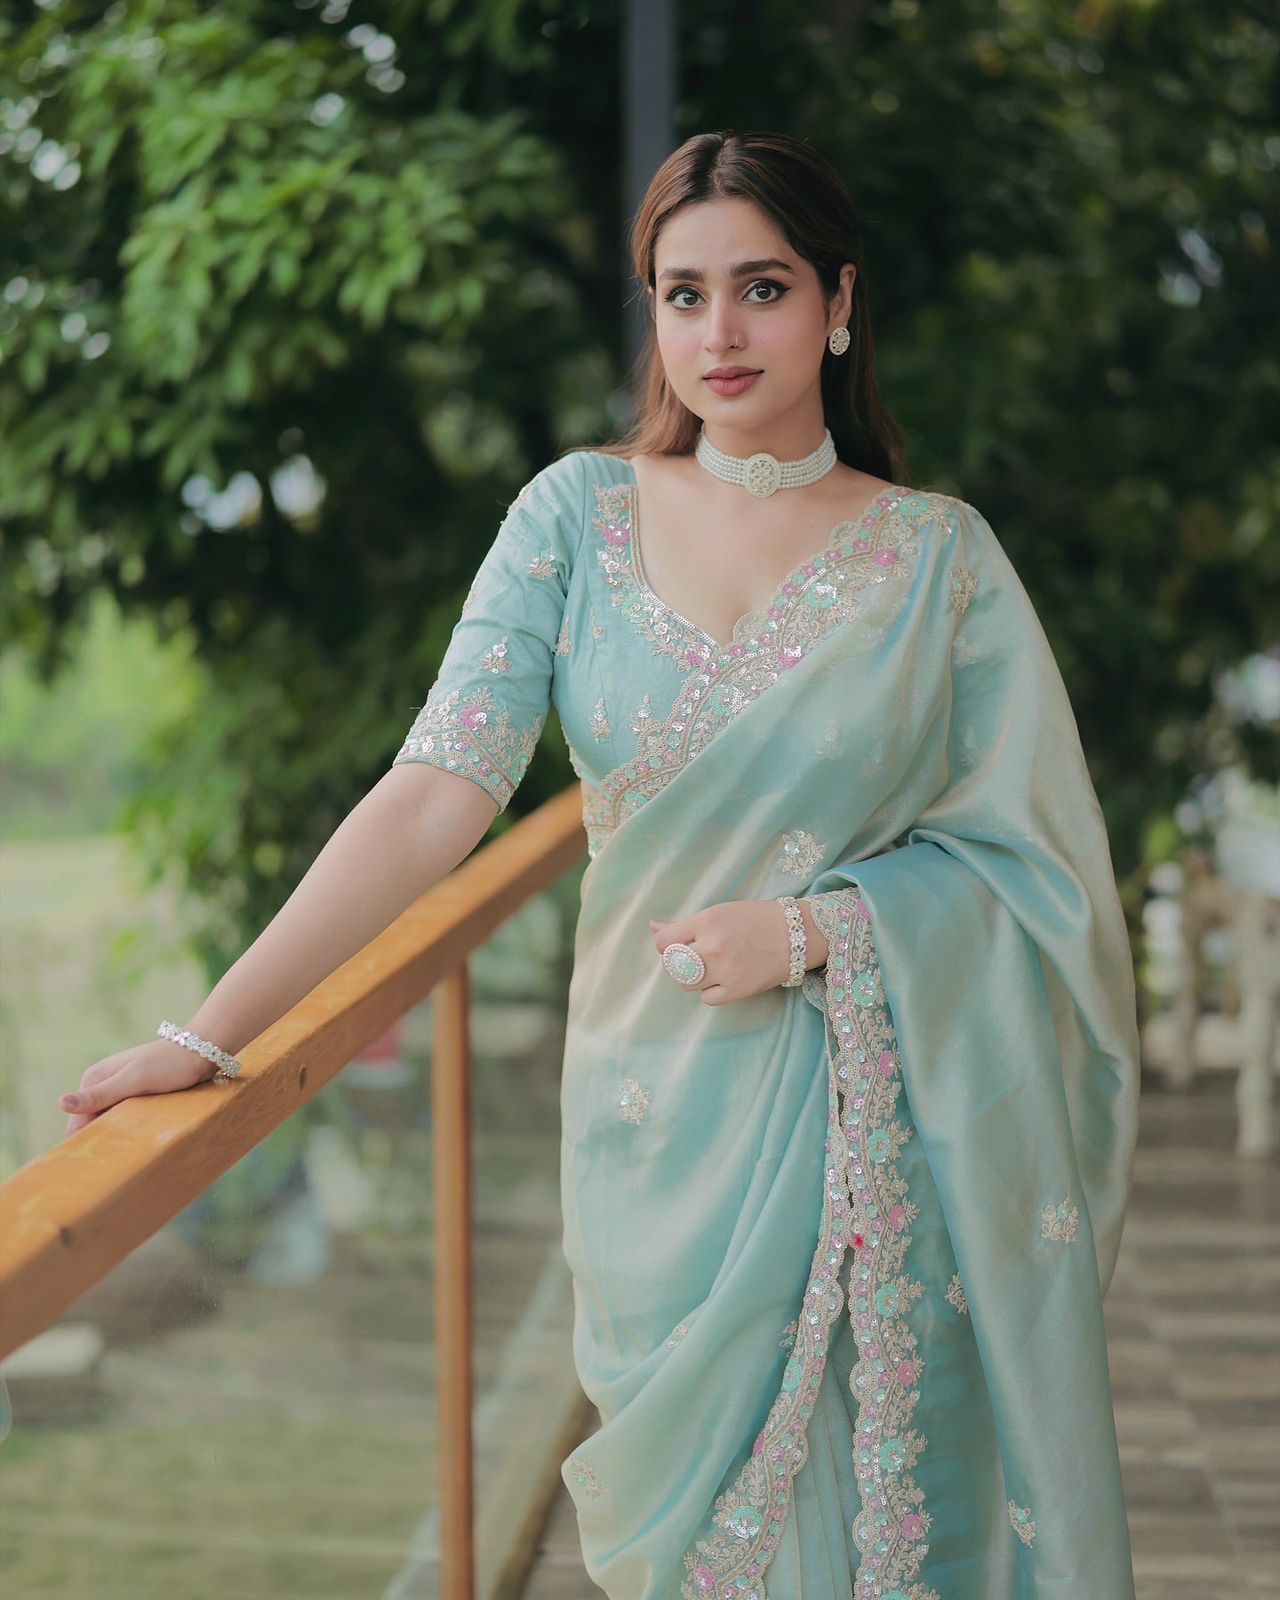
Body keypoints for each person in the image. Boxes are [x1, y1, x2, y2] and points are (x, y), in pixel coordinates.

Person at [59, 130, 1140, 1598]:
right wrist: (208, 1035)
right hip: (650, 1120)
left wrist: (825, 932)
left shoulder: (939, 562)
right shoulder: (573, 518)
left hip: (870, 1118)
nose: (721, 332)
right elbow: (438, 793)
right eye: (681, 295)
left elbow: (1043, 882)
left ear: (838, 302)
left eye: (761, 288)